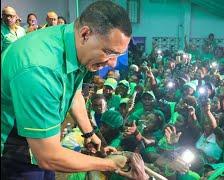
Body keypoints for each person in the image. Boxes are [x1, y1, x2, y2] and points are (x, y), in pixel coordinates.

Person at [1, 1, 141, 179]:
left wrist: (89, 133)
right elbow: (48, 157)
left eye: (118, 56)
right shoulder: (40, 69)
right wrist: (110, 164)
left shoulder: (74, 45)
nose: (113, 63)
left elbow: (73, 94)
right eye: (109, 53)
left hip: (38, 143)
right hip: (13, 150)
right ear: (85, 34)